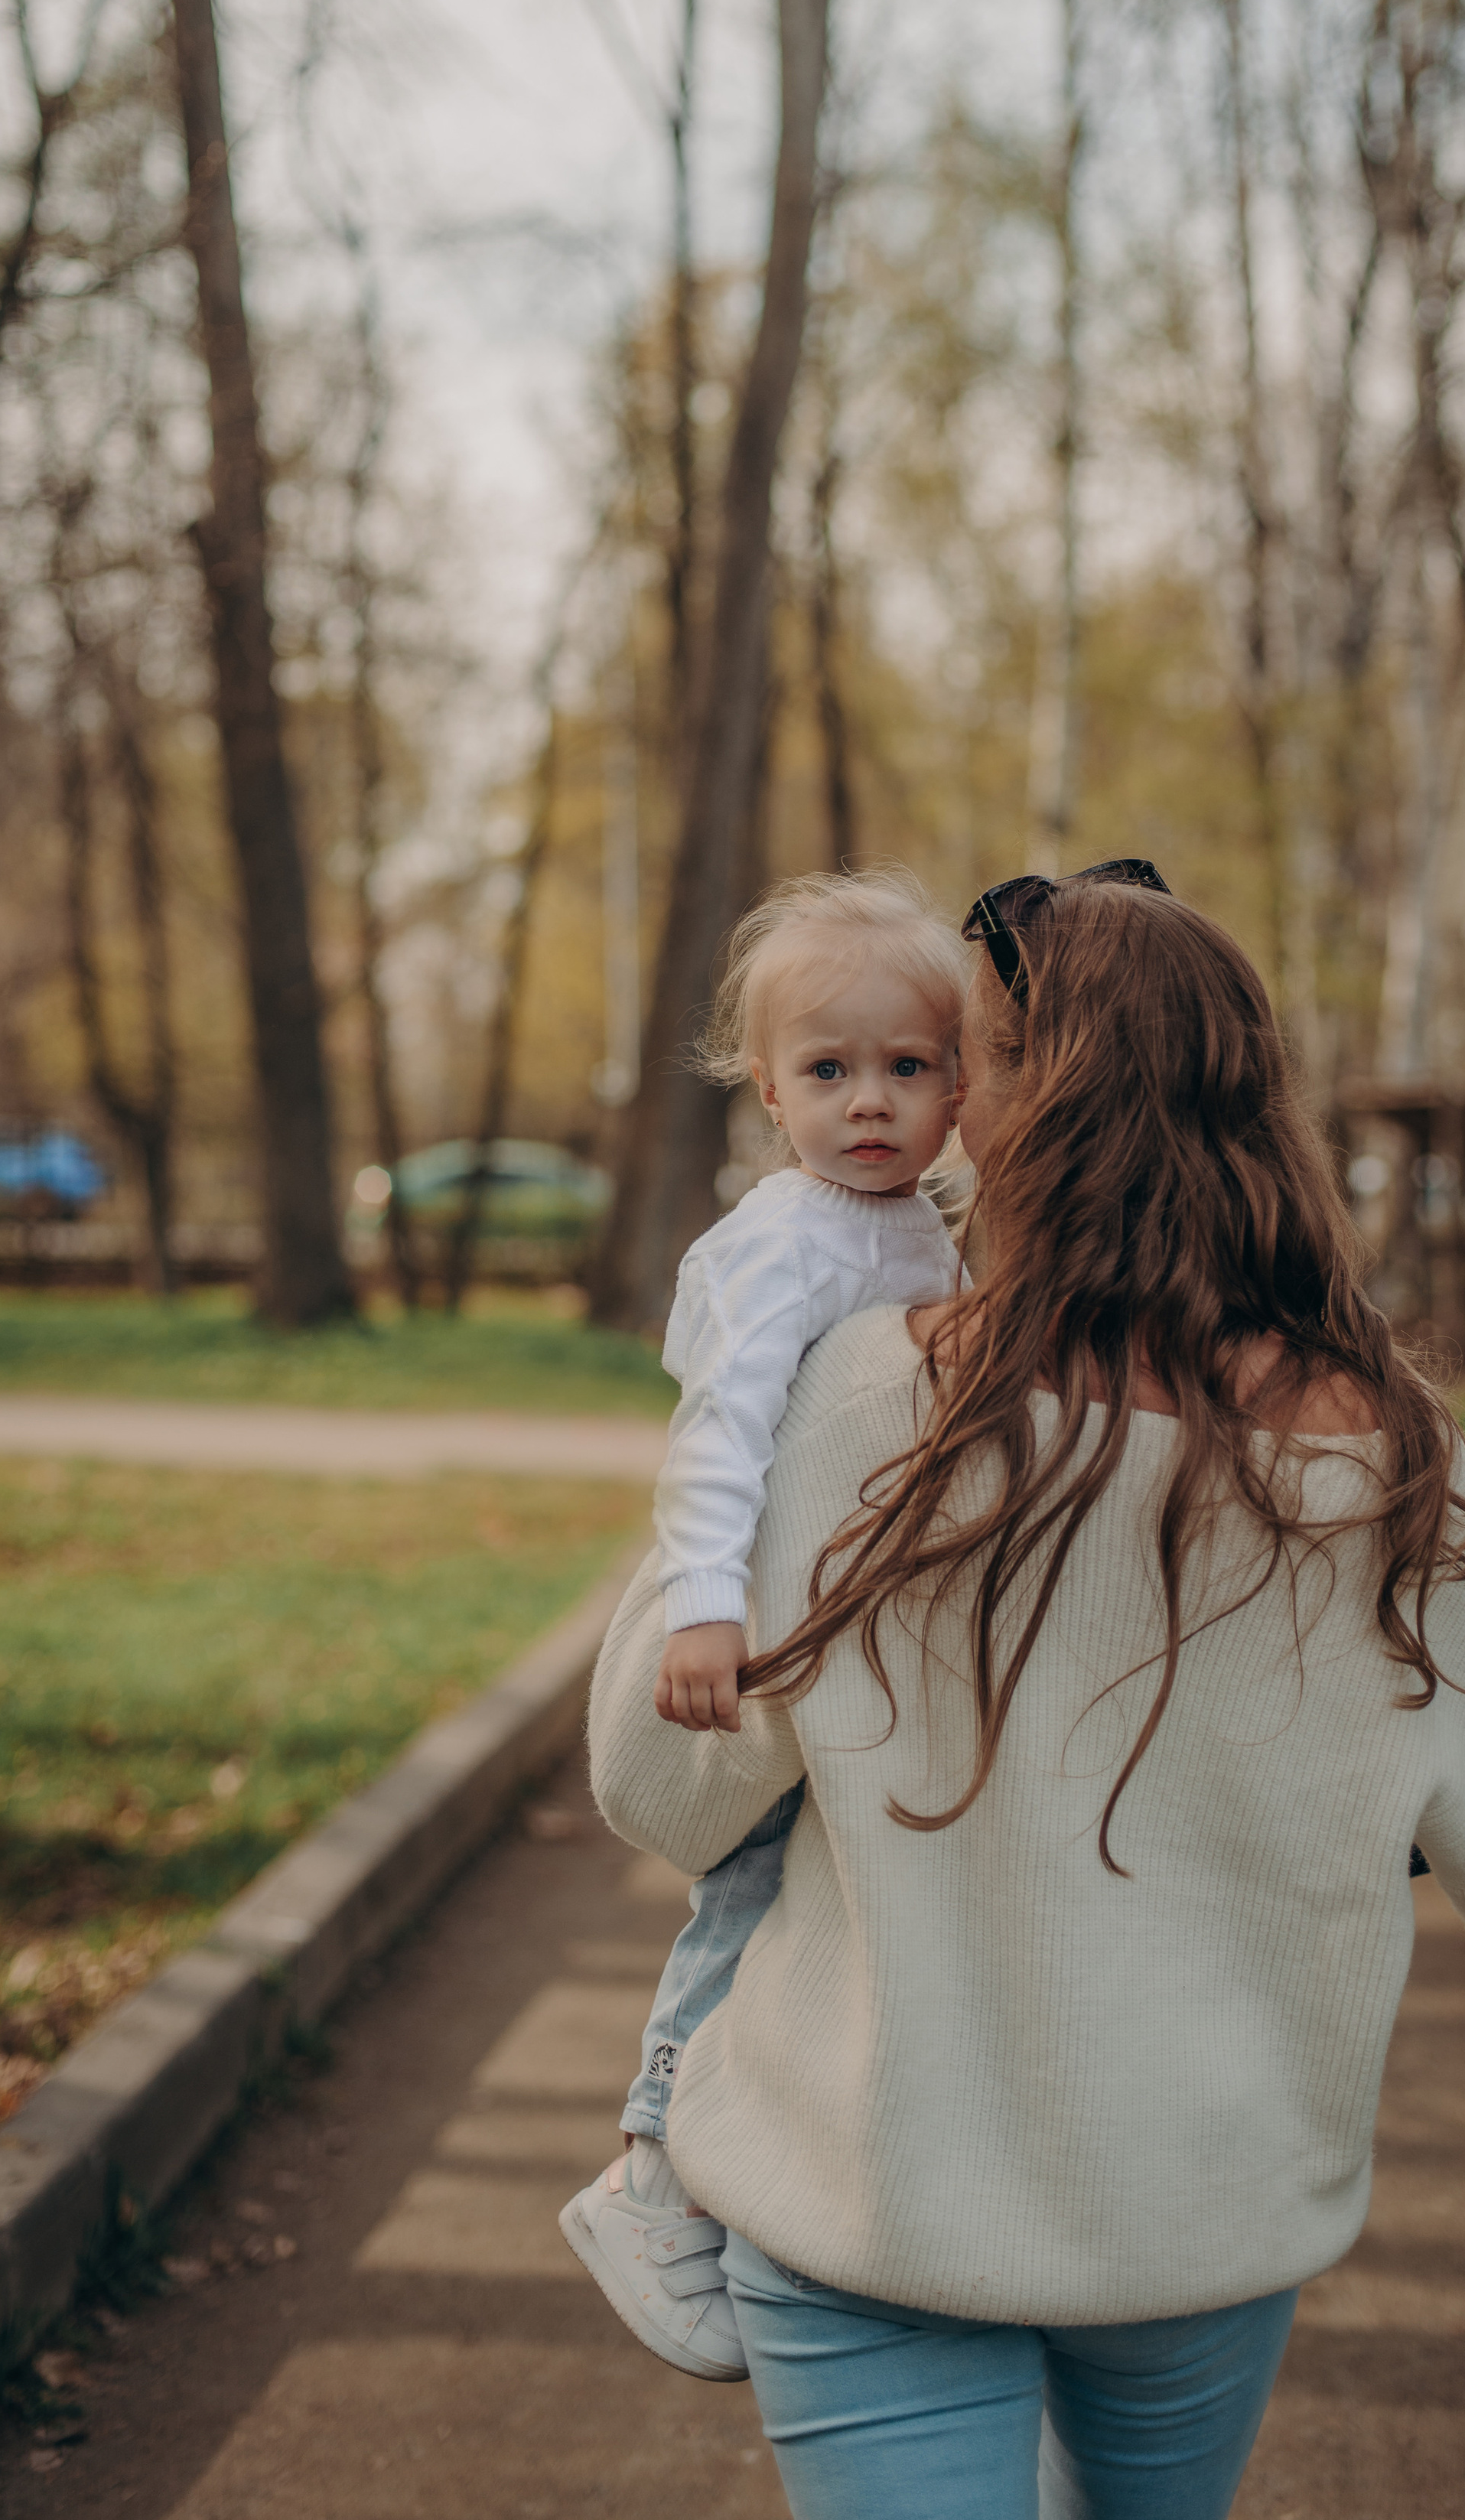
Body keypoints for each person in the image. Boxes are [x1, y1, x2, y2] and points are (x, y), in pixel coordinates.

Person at [585, 864, 1465, 2519]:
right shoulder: (1390, 1461)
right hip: (1198, 2217)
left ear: (1008, 1109)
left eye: (952, 1059)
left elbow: (657, 1783)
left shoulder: (868, 1396)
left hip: (869, 2199)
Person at [562, 864, 969, 2378]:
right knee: (741, 1888)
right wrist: (703, 1611)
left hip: (854, 1640)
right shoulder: (784, 1238)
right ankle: (649, 2168)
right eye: (829, 1070)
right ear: (766, 1087)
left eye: (908, 1067)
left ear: (960, 1085)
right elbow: (719, 1436)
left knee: (823, 1906)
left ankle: (773, 2167)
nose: (869, 1102)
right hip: (755, 1629)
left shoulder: (921, 1225)